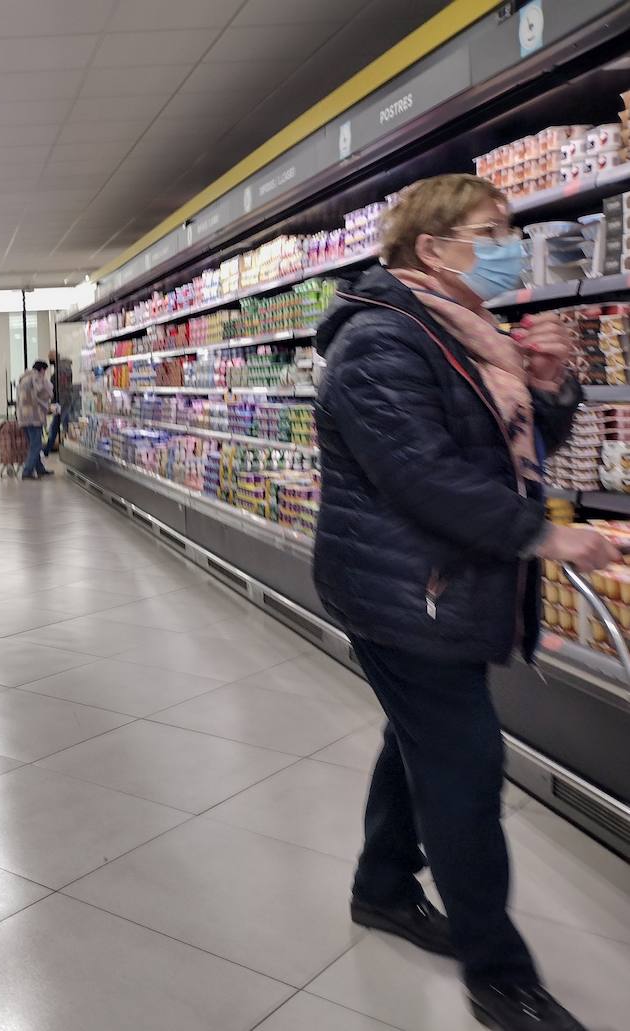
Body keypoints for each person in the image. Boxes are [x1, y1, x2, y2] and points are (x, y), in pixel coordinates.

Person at [313, 173, 618, 1031]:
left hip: (440, 587)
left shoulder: (468, 335)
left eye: (508, 231)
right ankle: (499, 973)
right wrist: (547, 536)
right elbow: (425, 478)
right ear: (432, 250)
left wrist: (551, 384)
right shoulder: (380, 342)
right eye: (492, 233)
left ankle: (382, 885)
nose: (509, 249)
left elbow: (504, 451)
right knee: (465, 767)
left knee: (418, 738)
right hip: (406, 589)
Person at [16, 359, 53, 480]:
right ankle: (27, 471)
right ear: (42, 370)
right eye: (45, 371)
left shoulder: (24, 378)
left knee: (33, 444)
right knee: (36, 445)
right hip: (33, 417)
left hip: (23, 417)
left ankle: (39, 468)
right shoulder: (36, 377)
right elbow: (42, 393)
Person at [43, 348, 74, 455]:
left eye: (50, 358)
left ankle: (70, 448)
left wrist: (54, 402)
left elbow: (59, 387)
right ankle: (47, 449)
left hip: (62, 402)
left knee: (65, 425)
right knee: (57, 425)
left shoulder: (60, 369)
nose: (49, 360)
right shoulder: (63, 367)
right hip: (64, 400)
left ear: (54, 357)